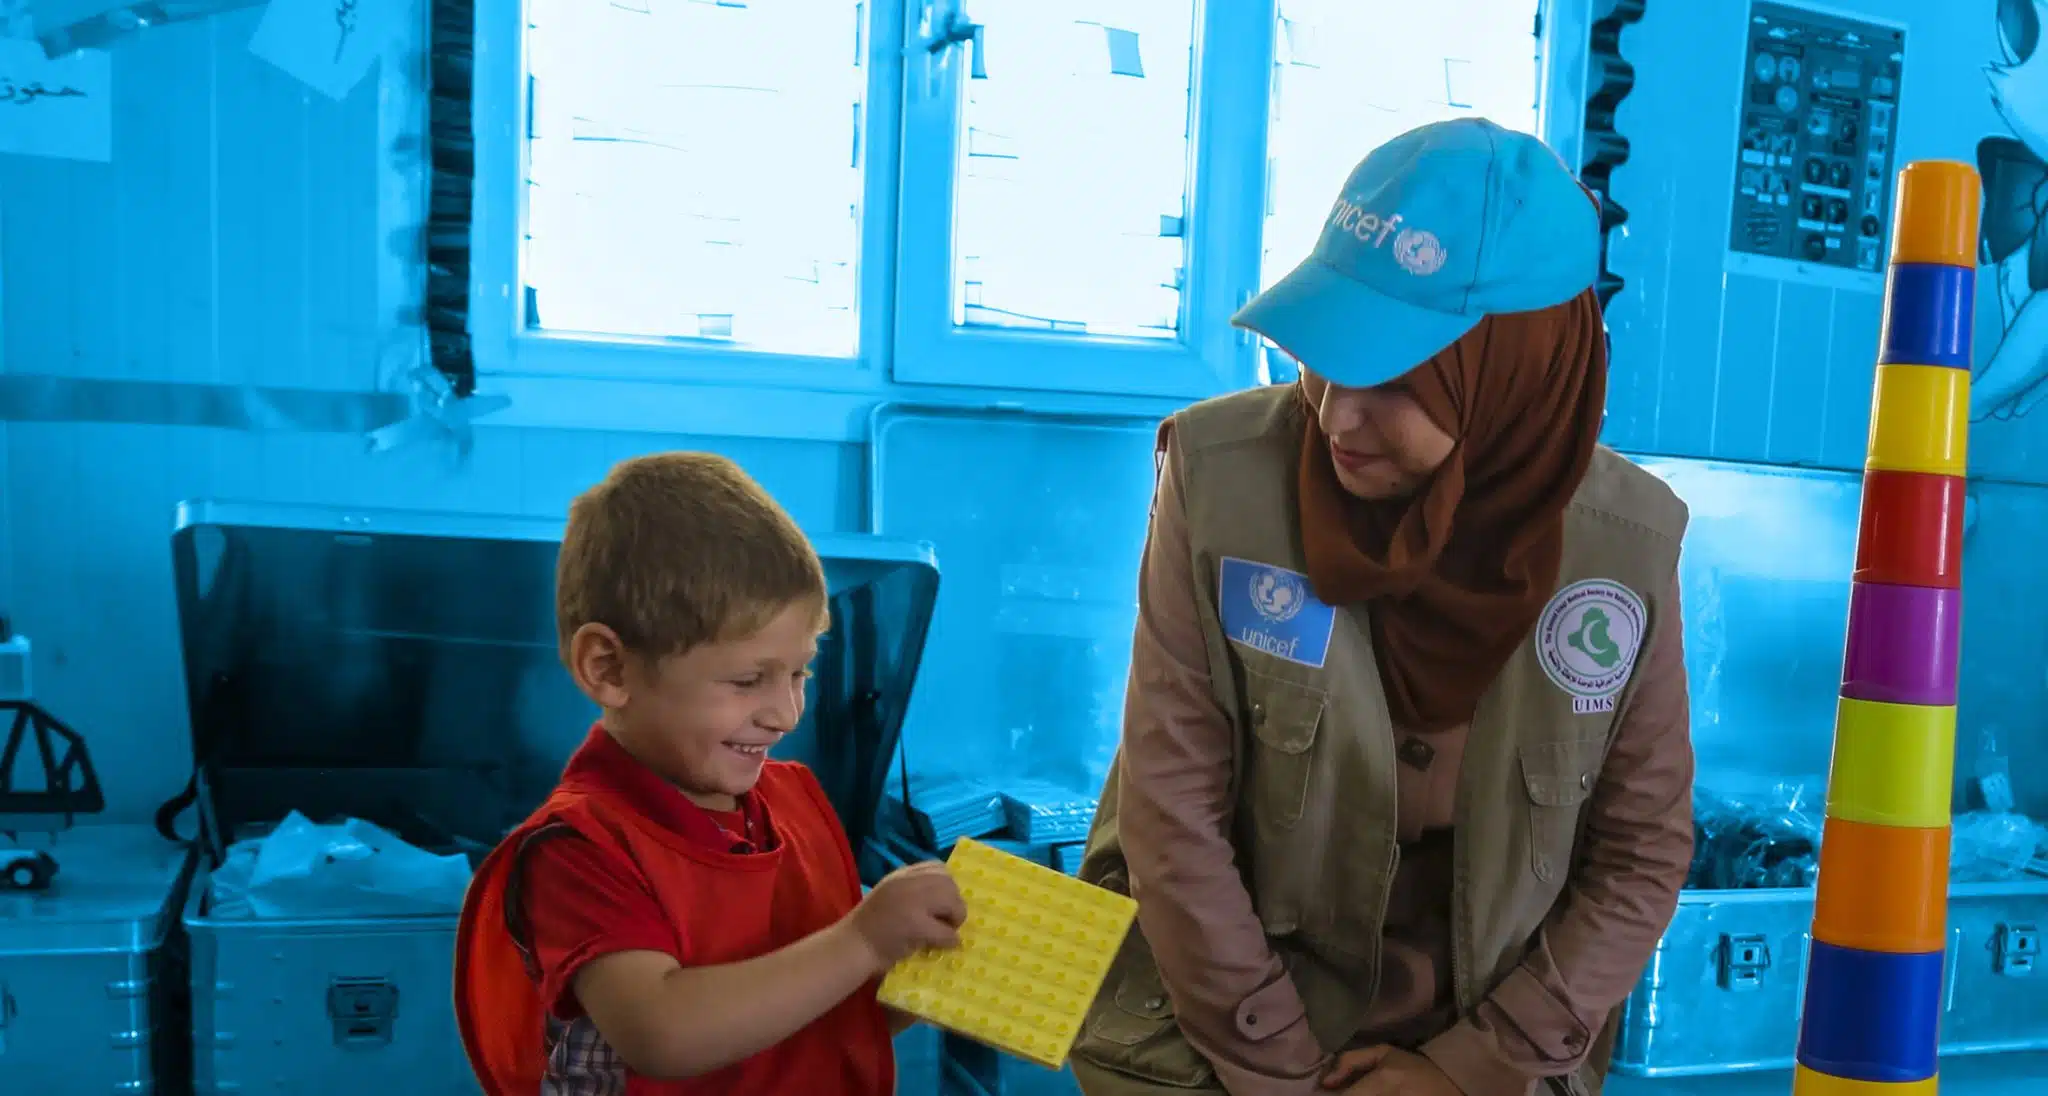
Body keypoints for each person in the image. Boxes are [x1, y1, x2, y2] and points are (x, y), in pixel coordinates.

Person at [1067, 118, 1695, 1096]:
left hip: (1485, 1049)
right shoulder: (1216, 478)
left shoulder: (1625, 548)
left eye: (1397, 381)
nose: (1336, 414)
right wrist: (1280, 1066)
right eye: (1324, 355)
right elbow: (1169, 802)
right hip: (1220, 1039)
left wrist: (1470, 1067)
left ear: (1513, 374)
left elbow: (1640, 849)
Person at [453, 452, 968, 1095]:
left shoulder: (796, 805)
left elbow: (815, 1013)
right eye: (748, 679)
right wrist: (863, 939)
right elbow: (663, 1033)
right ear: (608, 669)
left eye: (801, 671)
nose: (785, 713)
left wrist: (917, 973)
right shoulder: (579, 850)